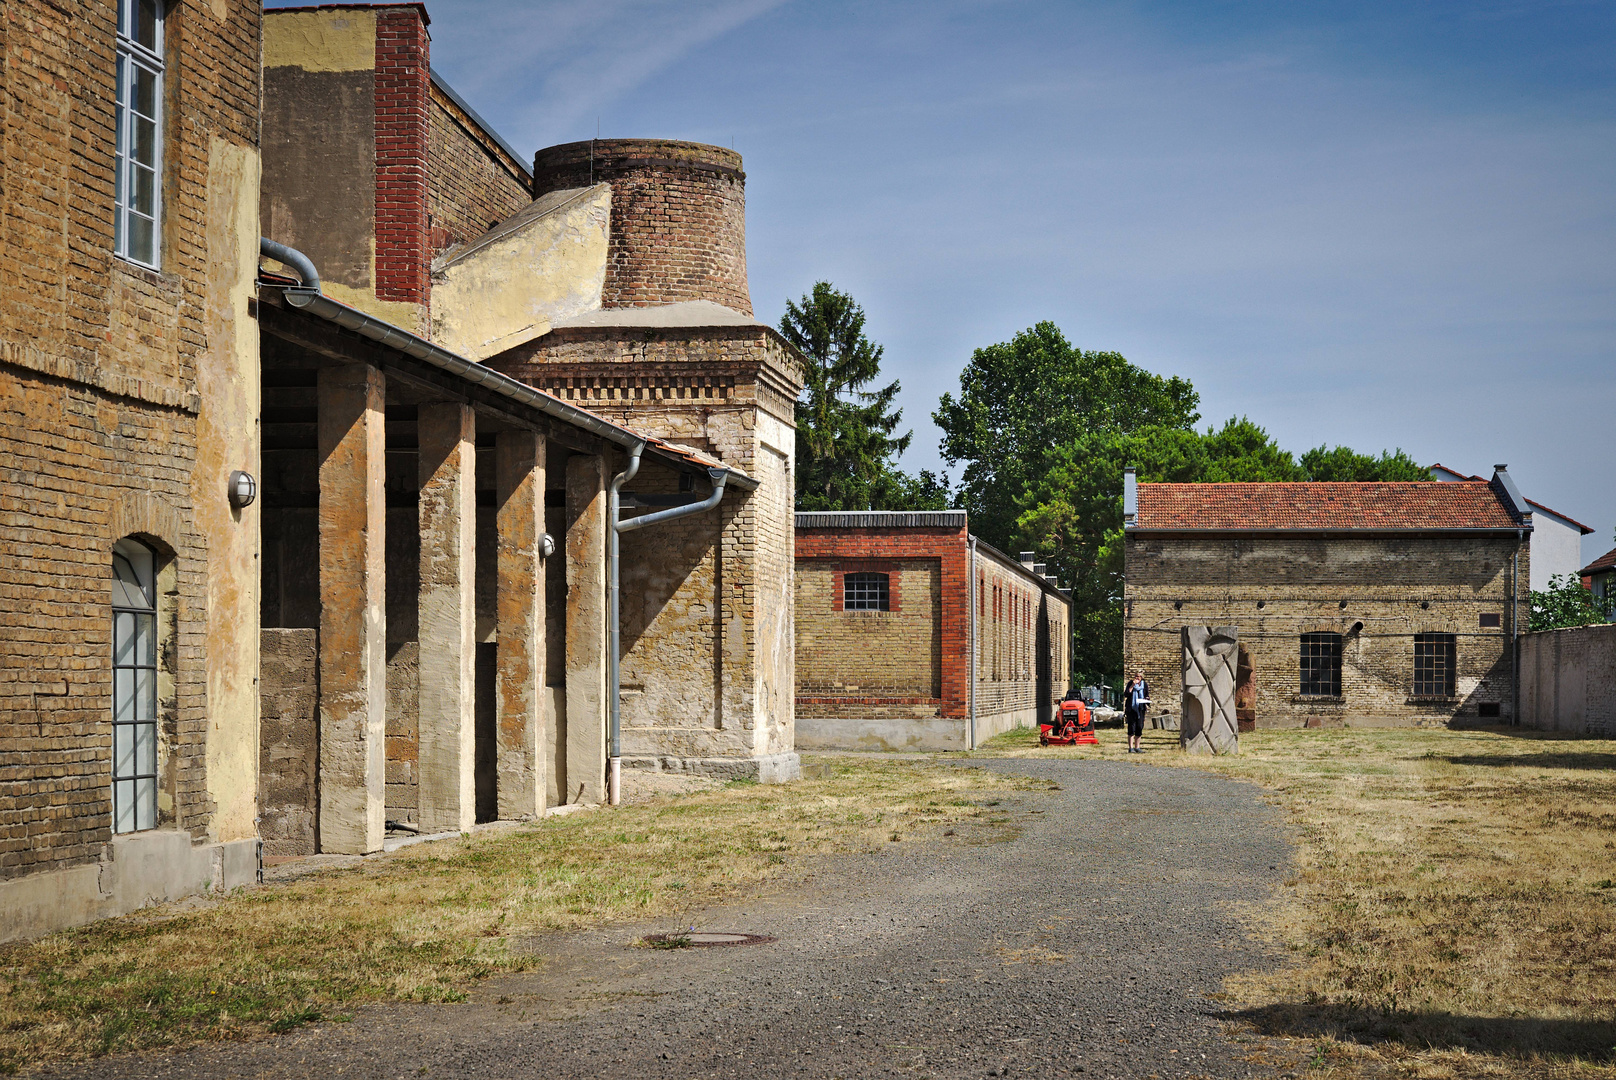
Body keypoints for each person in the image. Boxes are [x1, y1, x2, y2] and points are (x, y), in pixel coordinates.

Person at [1123, 670, 1149, 753]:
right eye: (1135, 676)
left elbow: (1147, 695)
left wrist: (1147, 699)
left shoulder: (1144, 685)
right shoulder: (1130, 683)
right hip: (1132, 709)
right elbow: (1126, 694)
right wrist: (1132, 686)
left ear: (1141, 678)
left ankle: (1137, 747)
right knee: (1131, 727)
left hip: (1140, 708)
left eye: (1138, 676)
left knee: (1139, 727)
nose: (1137, 678)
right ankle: (1131, 748)